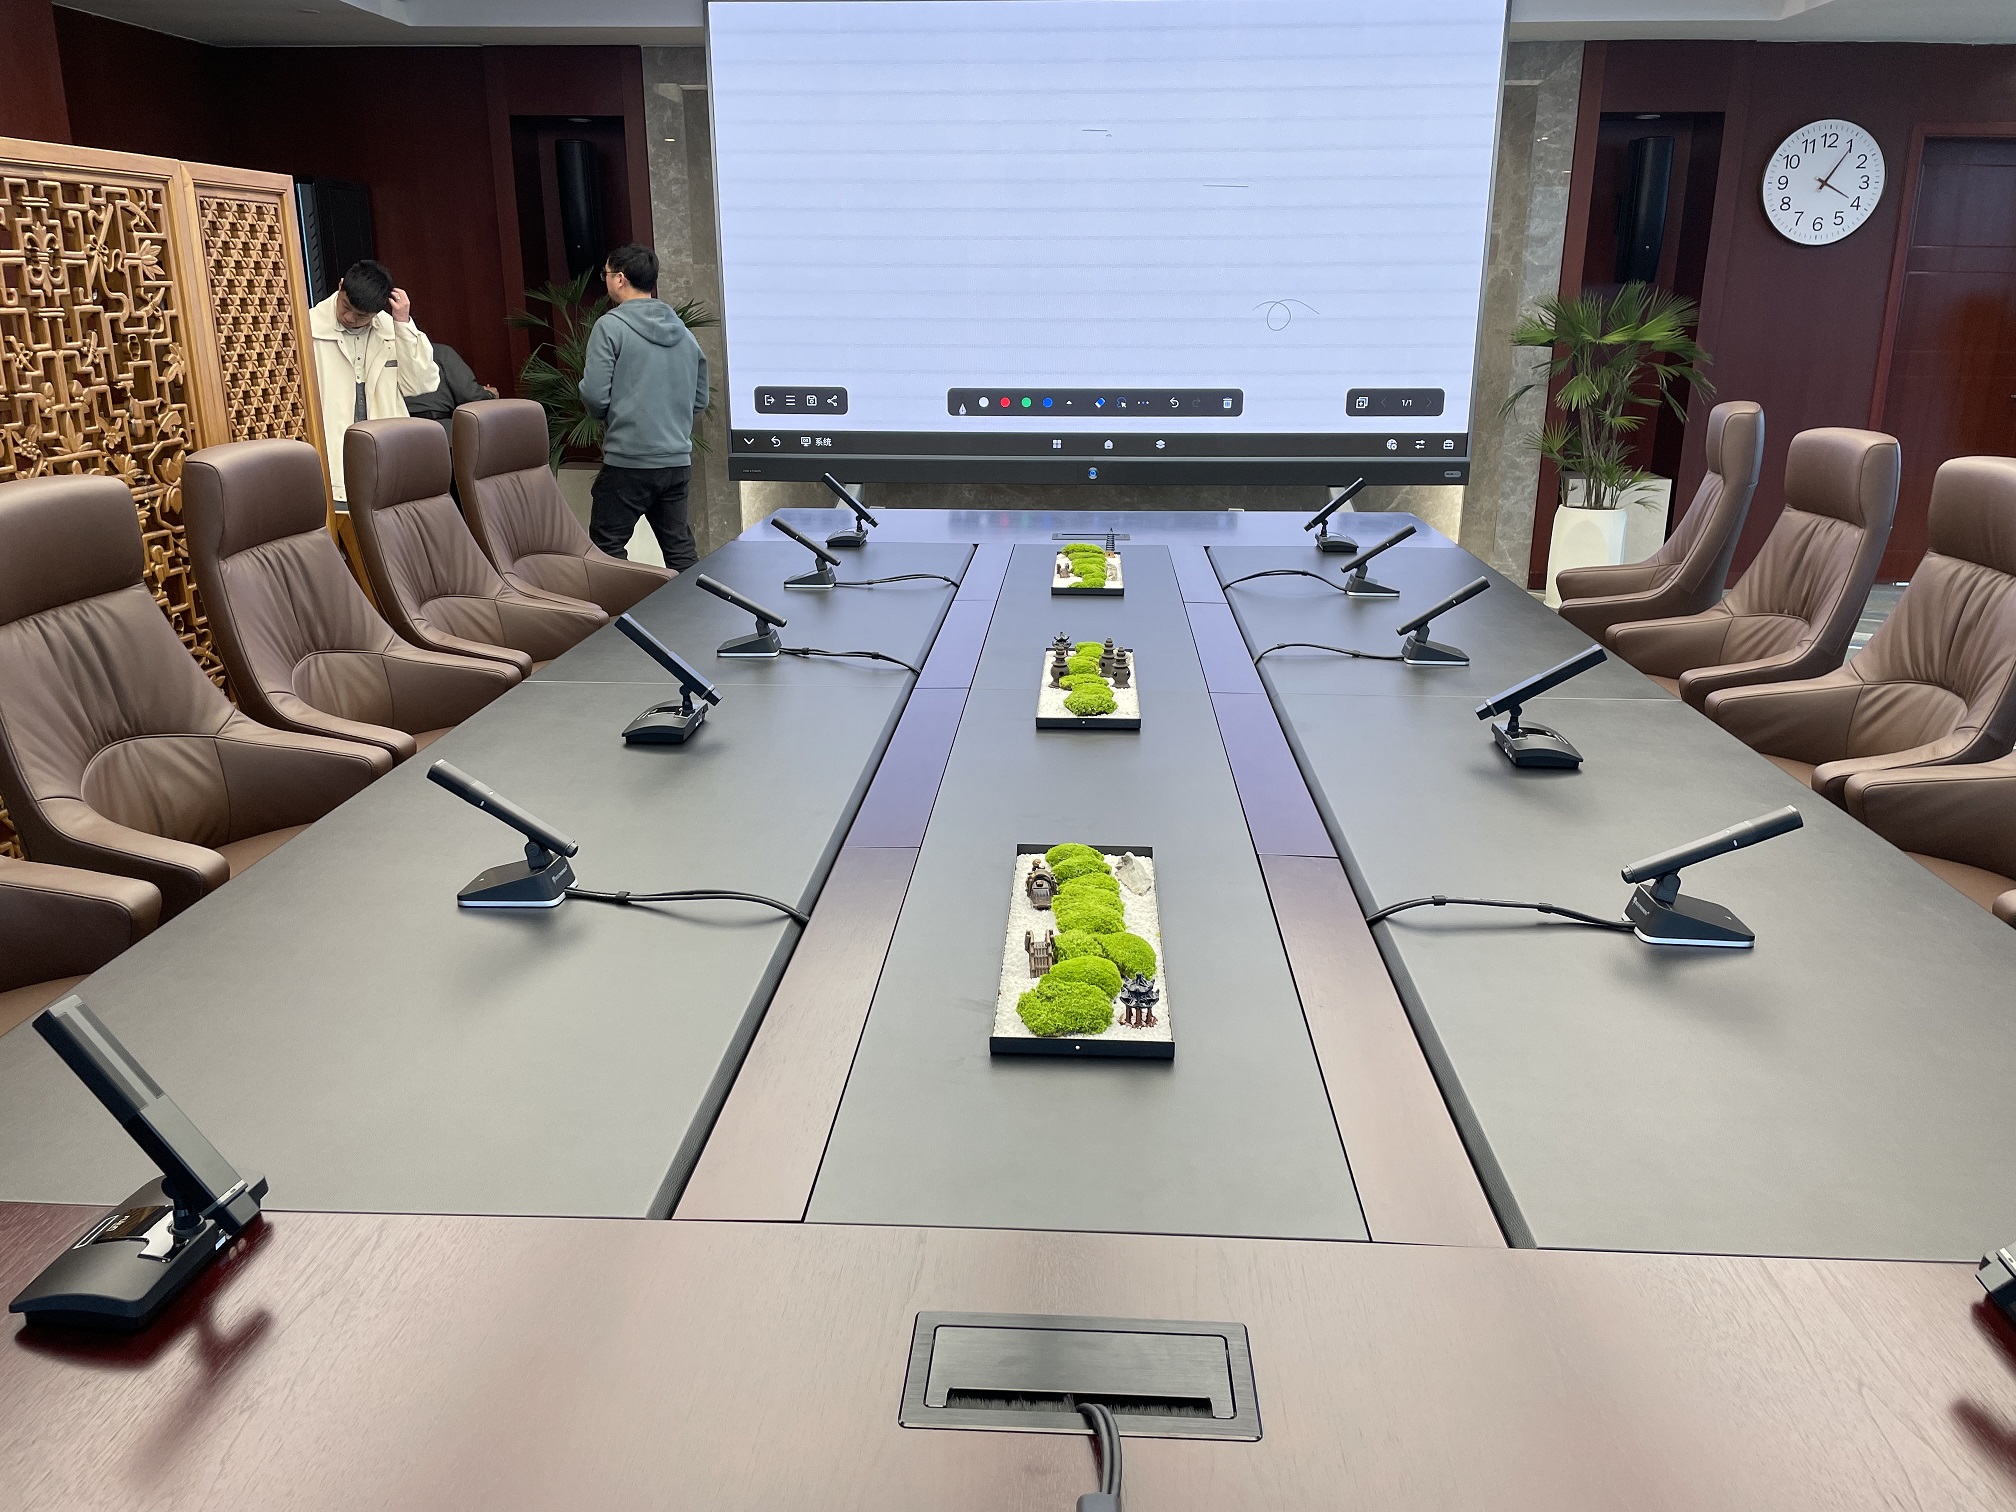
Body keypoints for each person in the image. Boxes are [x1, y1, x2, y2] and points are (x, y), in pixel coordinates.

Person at [578, 243, 708, 571]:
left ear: (620, 278)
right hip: (676, 462)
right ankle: (695, 605)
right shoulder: (683, 333)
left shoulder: (610, 327)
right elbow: (699, 400)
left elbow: (594, 394)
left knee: (607, 550)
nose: (606, 280)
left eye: (606, 274)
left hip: (628, 461)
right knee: (680, 550)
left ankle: (628, 608)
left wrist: (612, 417)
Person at [307, 259, 441, 504]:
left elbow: (421, 384)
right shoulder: (308, 328)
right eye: (345, 306)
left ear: (378, 311)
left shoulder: (393, 330)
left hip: (383, 455)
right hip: (331, 457)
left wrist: (403, 325)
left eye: (361, 316)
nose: (349, 317)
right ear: (340, 286)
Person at [404, 343, 499, 441]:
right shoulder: (440, 352)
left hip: (400, 436)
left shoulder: (394, 359)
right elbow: (469, 395)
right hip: (442, 432)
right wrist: (490, 395)